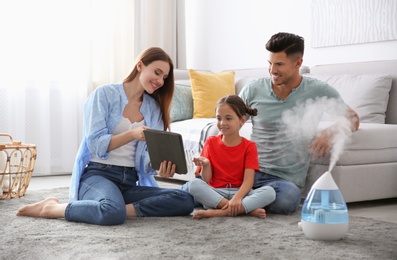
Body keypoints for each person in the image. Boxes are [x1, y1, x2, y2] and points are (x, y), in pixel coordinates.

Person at [16, 47, 195, 225]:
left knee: (185, 199)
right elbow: (95, 143)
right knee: (111, 212)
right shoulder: (104, 94)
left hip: (130, 180)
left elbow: (147, 160)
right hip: (98, 175)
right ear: (140, 65)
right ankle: (51, 208)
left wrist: (160, 167)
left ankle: (116, 208)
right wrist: (132, 134)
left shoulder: (153, 108)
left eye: (164, 77)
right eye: (157, 73)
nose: (160, 81)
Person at [238, 32, 360, 214]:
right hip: (249, 171)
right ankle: (249, 200)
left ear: (298, 63)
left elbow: (352, 118)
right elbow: (230, 121)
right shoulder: (253, 89)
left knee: (287, 202)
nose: (272, 70)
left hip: (284, 180)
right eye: (270, 63)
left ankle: (239, 200)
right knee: (208, 184)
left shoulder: (317, 90)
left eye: (279, 64)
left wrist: (329, 133)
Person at [188, 95, 276, 219]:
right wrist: (206, 165)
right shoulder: (210, 142)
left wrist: (237, 198)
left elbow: (248, 182)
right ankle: (245, 210)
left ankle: (219, 212)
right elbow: (206, 180)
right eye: (219, 118)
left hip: (241, 193)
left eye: (228, 118)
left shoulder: (249, 146)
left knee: (270, 192)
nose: (222, 123)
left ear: (242, 120)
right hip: (217, 192)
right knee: (194, 185)